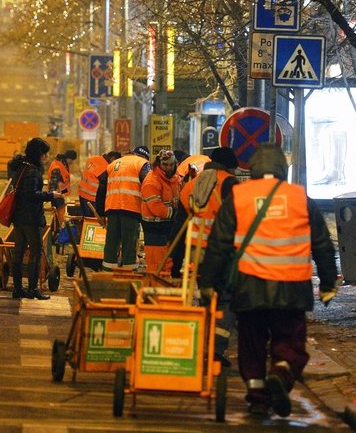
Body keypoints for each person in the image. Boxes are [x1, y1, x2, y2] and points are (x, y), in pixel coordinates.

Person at [198, 143, 338, 418]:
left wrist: (208, 282)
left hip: (250, 286)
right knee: (290, 339)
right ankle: (282, 372)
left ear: (253, 169)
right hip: (292, 287)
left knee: (251, 343)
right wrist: (328, 283)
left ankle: (258, 396)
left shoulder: (239, 196)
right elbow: (322, 244)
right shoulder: (299, 198)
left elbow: (219, 244)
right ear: (282, 169)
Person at [170, 146, 239, 365]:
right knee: (227, 299)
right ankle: (216, 349)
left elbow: (181, 222)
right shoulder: (229, 183)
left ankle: (196, 344)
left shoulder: (193, 184)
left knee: (203, 296)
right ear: (229, 166)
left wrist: (176, 258)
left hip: (195, 252)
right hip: (220, 251)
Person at [7, 138, 62, 299]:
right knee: (36, 253)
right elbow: (31, 195)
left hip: (19, 217)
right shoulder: (32, 171)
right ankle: (32, 289)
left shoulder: (22, 167)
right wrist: (51, 195)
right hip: (30, 218)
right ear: (38, 154)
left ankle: (18, 289)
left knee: (18, 253)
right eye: (44, 153)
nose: (46, 156)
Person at [101, 146, 152, 271]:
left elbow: (102, 187)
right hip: (131, 208)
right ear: (145, 157)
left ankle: (108, 271)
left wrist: (101, 211)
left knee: (111, 241)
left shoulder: (113, 164)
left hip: (112, 207)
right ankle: (128, 273)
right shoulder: (143, 164)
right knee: (129, 242)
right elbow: (149, 185)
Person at [140, 150, 181, 275]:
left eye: (171, 164)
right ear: (158, 164)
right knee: (156, 265)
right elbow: (156, 208)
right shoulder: (152, 181)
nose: (168, 168)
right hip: (154, 229)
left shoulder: (175, 180)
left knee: (168, 262)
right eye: (165, 165)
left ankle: (166, 288)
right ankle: (153, 290)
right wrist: (175, 213)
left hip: (168, 228)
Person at [78, 151, 122, 218]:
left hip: (82, 194)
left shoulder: (93, 158)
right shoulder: (105, 167)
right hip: (92, 198)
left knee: (85, 219)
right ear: (113, 159)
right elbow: (106, 185)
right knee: (93, 221)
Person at [47, 149, 77, 228]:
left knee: (60, 216)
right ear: (69, 158)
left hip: (60, 195)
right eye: (72, 160)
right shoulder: (57, 167)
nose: (72, 163)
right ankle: (60, 232)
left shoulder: (62, 164)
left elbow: (61, 182)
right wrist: (54, 195)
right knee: (59, 217)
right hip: (57, 197)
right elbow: (53, 184)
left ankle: (59, 230)